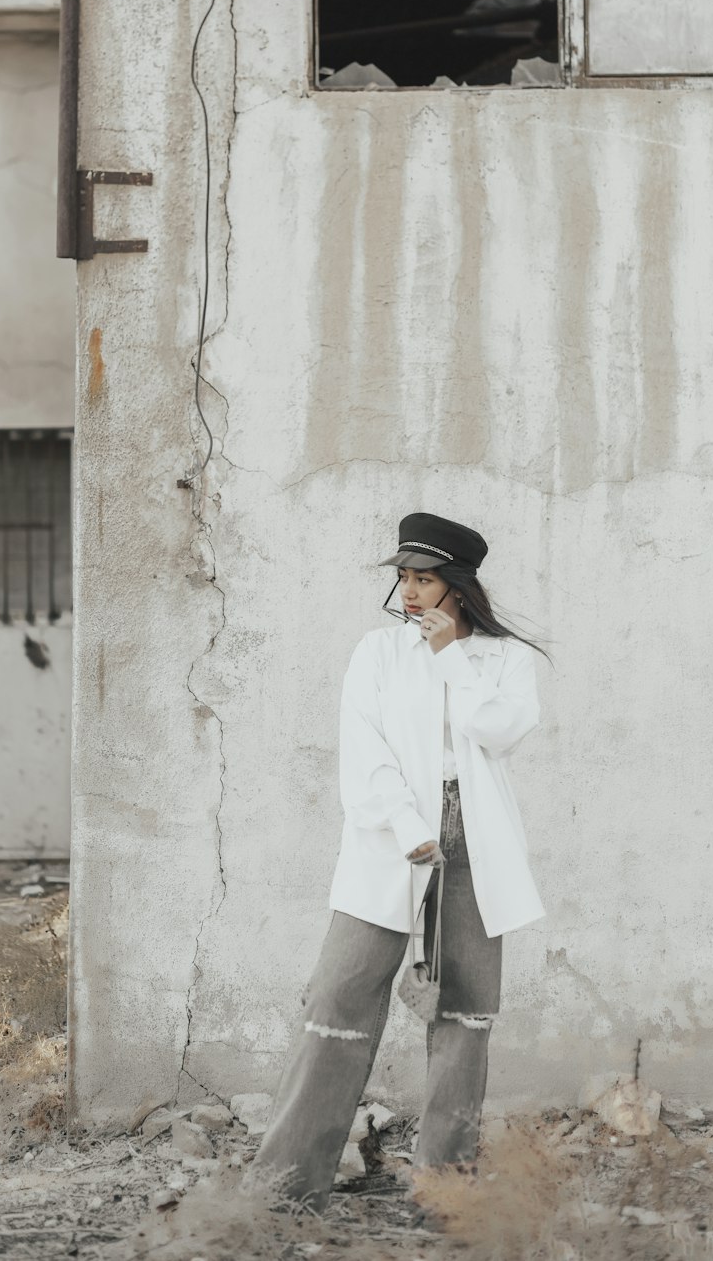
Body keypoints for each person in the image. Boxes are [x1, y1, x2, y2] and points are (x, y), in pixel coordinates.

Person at [248, 511, 551, 1214]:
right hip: (391, 837)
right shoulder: (377, 654)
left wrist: (451, 657)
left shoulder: (505, 660)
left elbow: (498, 733)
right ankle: (286, 1187)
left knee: (465, 1013)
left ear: (458, 587)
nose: (410, 593)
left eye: (425, 580)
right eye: (404, 579)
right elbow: (365, 751)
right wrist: (408, 828)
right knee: (338, 998)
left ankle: (446, 1192)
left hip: (475, 842)